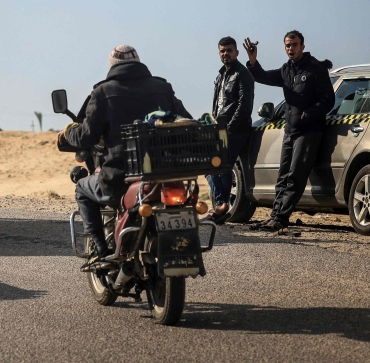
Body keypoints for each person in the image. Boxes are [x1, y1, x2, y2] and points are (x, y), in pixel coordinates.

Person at [57, 45, 191, 267]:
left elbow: (87, 136)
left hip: (119, 176)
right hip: (164, 172)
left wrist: (68, 132)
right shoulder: (163, 87)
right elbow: (185, 120)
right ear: (138, 62)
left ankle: (101, 252)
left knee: (82, 187)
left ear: (112, 66)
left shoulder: (102, 92)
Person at [243, 31, 334, 232]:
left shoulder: (316, 68)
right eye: (287, 45)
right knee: (283, 175)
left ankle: (282, 218)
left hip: (309, 131)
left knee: (295, 175)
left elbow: (328, 100)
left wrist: (307, 115)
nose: (290, 48)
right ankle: (274, 217)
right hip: (290, 130)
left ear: (302, 46)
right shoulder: (286, 70)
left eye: (294, 44)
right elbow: (262, 76)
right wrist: (253, 60)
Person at [206, 37, 255, 222]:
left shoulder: (243, 74)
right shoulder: (221, 76)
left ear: (236, 52)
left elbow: (244, 105)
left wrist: (230, 129)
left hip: (237, 130)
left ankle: (221, 207)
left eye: (229, 50)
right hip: (219, 128)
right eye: (222, 51)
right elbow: (218, 106)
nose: (225, 53)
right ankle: (221, 205)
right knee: (210, 165)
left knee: (222, 166)